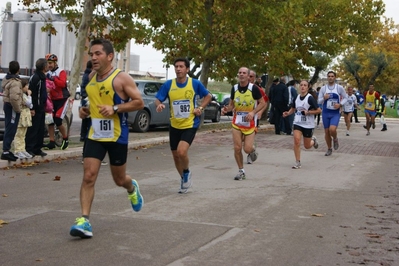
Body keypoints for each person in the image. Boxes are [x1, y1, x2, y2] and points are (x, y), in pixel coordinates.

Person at [70, 39, 145, 238]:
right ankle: (84, 220)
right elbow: (94, 103)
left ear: (109, 56)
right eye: (91, 54)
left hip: (117, 136)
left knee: (119, 179)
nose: (93, 57)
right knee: (89, 175)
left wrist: (115, 108)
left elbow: (139, 102)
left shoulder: (121, 78)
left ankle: (132, 187)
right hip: (96, 135)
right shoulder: (91, 78)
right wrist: (86, 111)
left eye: (97, 54)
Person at [155, 57, 212, 193]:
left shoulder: (194, 83)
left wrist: (200, 108)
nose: (178, 69)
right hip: (174, 125)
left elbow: (208, 96)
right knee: (175, 155)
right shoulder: (169, 85)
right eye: (176, 67)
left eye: (181, 67)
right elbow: (157, 99)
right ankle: (183, 179)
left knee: (181, 151)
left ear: (187, 69)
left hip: (190, 124)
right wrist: (160, 105)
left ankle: (186, 172)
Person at [221, 67, 266, 180]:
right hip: (237, 122)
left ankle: (252, 150)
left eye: (244, 73)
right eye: (240, 73)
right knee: (237, 148)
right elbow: (231, 105)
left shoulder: (253, 88)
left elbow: (263, 103)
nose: (241, 74)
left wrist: (253, 112)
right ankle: (241, 171)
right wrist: (226, 109)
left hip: (249, 123)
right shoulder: (234, 88)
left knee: (247, 149)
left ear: (248, 76)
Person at [283, 80, 321, 169]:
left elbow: (319, 110)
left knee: (307, 146)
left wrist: (308, 112)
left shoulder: (310, 98)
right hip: (298, 123)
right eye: (301, 85)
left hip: (308, 124)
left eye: (305, 85)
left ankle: (313, 141)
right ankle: (297, 162)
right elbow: (293, 108)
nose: (303, 87)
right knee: (296, 141)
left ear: (308, 87)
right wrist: (288, 113)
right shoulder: (296, 97)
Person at [79, 61, 108, 166]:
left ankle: (92, 157)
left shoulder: (91, 75)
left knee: (92, 132)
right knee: (92, 132)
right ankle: (88, 156)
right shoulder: (91, 75)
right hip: (92, 106)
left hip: (94, 107)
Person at [317, 71, 348, 156]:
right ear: (327, 77)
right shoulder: (324, 89)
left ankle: (335, 138)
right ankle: (329, 148)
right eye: (329, 76)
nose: (330, 77)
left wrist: (340, 104)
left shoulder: (339, 88)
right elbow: (319, 100)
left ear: (335, 77)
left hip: (335, 113)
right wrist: (324, 97)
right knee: (327, 132)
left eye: (332, 76)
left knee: (332, 129)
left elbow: (346, 97)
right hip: (326, 113)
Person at [43, 53, 70, 150]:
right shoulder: (47, 73)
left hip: (62, 99)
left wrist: (53, 79)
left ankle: (65, 138)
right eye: (47, 63)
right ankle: (51, 141)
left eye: (50, 63)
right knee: (50, 121)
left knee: (58, 120)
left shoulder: (61, 72)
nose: (49, 65)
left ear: (55, 63)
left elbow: (62, 84)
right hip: (52, 100)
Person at [25, 58, 48, 158]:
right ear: (43, 67)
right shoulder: (36, 78)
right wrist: (33, 108)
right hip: (36, 107)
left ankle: (38, 148)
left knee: (40, 129)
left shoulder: (42, 78)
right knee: (33, 129)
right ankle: (30, 148)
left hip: (41, 107)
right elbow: (34, 95)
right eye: (47, 65)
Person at [1, 61, 22, 161]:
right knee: (11, 129)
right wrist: (18, 109)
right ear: (18, 70)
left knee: (9, 127)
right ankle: (5, 151)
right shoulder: (15, 82)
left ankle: (7, 150)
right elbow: (14, 98)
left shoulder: (7, 79)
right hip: (12, 107)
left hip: (7, 105)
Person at [248, 69, 268, 164]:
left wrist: (260, 112)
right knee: (242, 139)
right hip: (240, 118)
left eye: (251, 76)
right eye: (248, 75)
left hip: (253, 117)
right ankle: (251, 150)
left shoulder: (257, 89)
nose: (249, 78)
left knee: (249, 137)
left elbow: (265, 103)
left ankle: (250, 153)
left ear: (255, 78)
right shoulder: (238, 88)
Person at [13, 79, 33, 159]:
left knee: (23, 134)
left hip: (26, 116)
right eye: (26, 86)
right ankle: (17, 150)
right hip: (21, 117)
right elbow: (29, 103)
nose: (27, 87)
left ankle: (22, 149)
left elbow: (30, 106)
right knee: (19, 134)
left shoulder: (24, 95)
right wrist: (29, 95)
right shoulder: (22, 96)